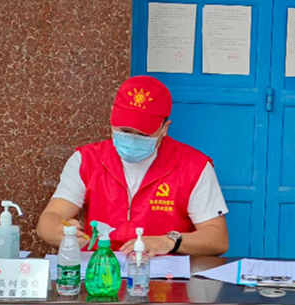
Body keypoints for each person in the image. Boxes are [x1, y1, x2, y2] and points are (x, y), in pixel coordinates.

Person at [37, 75, 228, 256]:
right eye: (125, 131)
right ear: (112, 118)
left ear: (165, 128)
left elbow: (217, 239)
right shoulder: (86, 160)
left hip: (163, 272)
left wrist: (169, 242)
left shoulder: (193, 166)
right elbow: (49, 219)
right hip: (100, 270)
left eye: (143, 135)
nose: (133, 139)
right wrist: (58, 232)